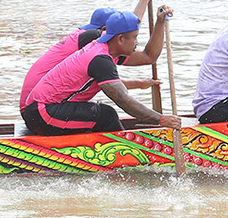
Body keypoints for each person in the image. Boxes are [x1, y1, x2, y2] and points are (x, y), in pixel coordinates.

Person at [22, 11, 178, 136]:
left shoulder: (105, 45)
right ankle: (123, 157)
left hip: (41, 110)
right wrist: (162, 119)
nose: (137, 42)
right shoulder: (100, 60)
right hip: (42, 114)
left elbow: (148, 57)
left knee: (101, 114)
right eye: (135, 37)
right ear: (121, 39)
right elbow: (123, 100)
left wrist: (159, 23)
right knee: (106, 115)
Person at [18, 0, 160, 114]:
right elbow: (143, 50)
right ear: (108, 30)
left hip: (37, 104)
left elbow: (107, 82)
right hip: (39, 106)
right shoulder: (94, 41)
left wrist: (141, 84)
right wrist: (144, 1)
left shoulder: (91, 43)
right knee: (105, 114)